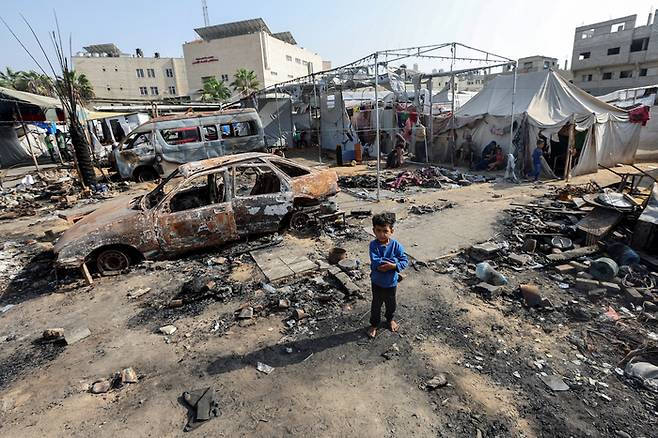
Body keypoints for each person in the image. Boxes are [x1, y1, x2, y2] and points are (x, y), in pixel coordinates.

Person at [368, 213, 409, 338]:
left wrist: (394, 265)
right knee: (376, 304)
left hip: (391, 282)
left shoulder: (396, 245)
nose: (381, 234)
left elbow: (404, 260)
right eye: (378, 231)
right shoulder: (373, 245)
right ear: (373, 230)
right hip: (377, 282)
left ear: (391, 231)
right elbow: (376, 261)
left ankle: (390, 319)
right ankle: (374, 324)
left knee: (391, 304)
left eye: (385, 231)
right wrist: (391, 263)